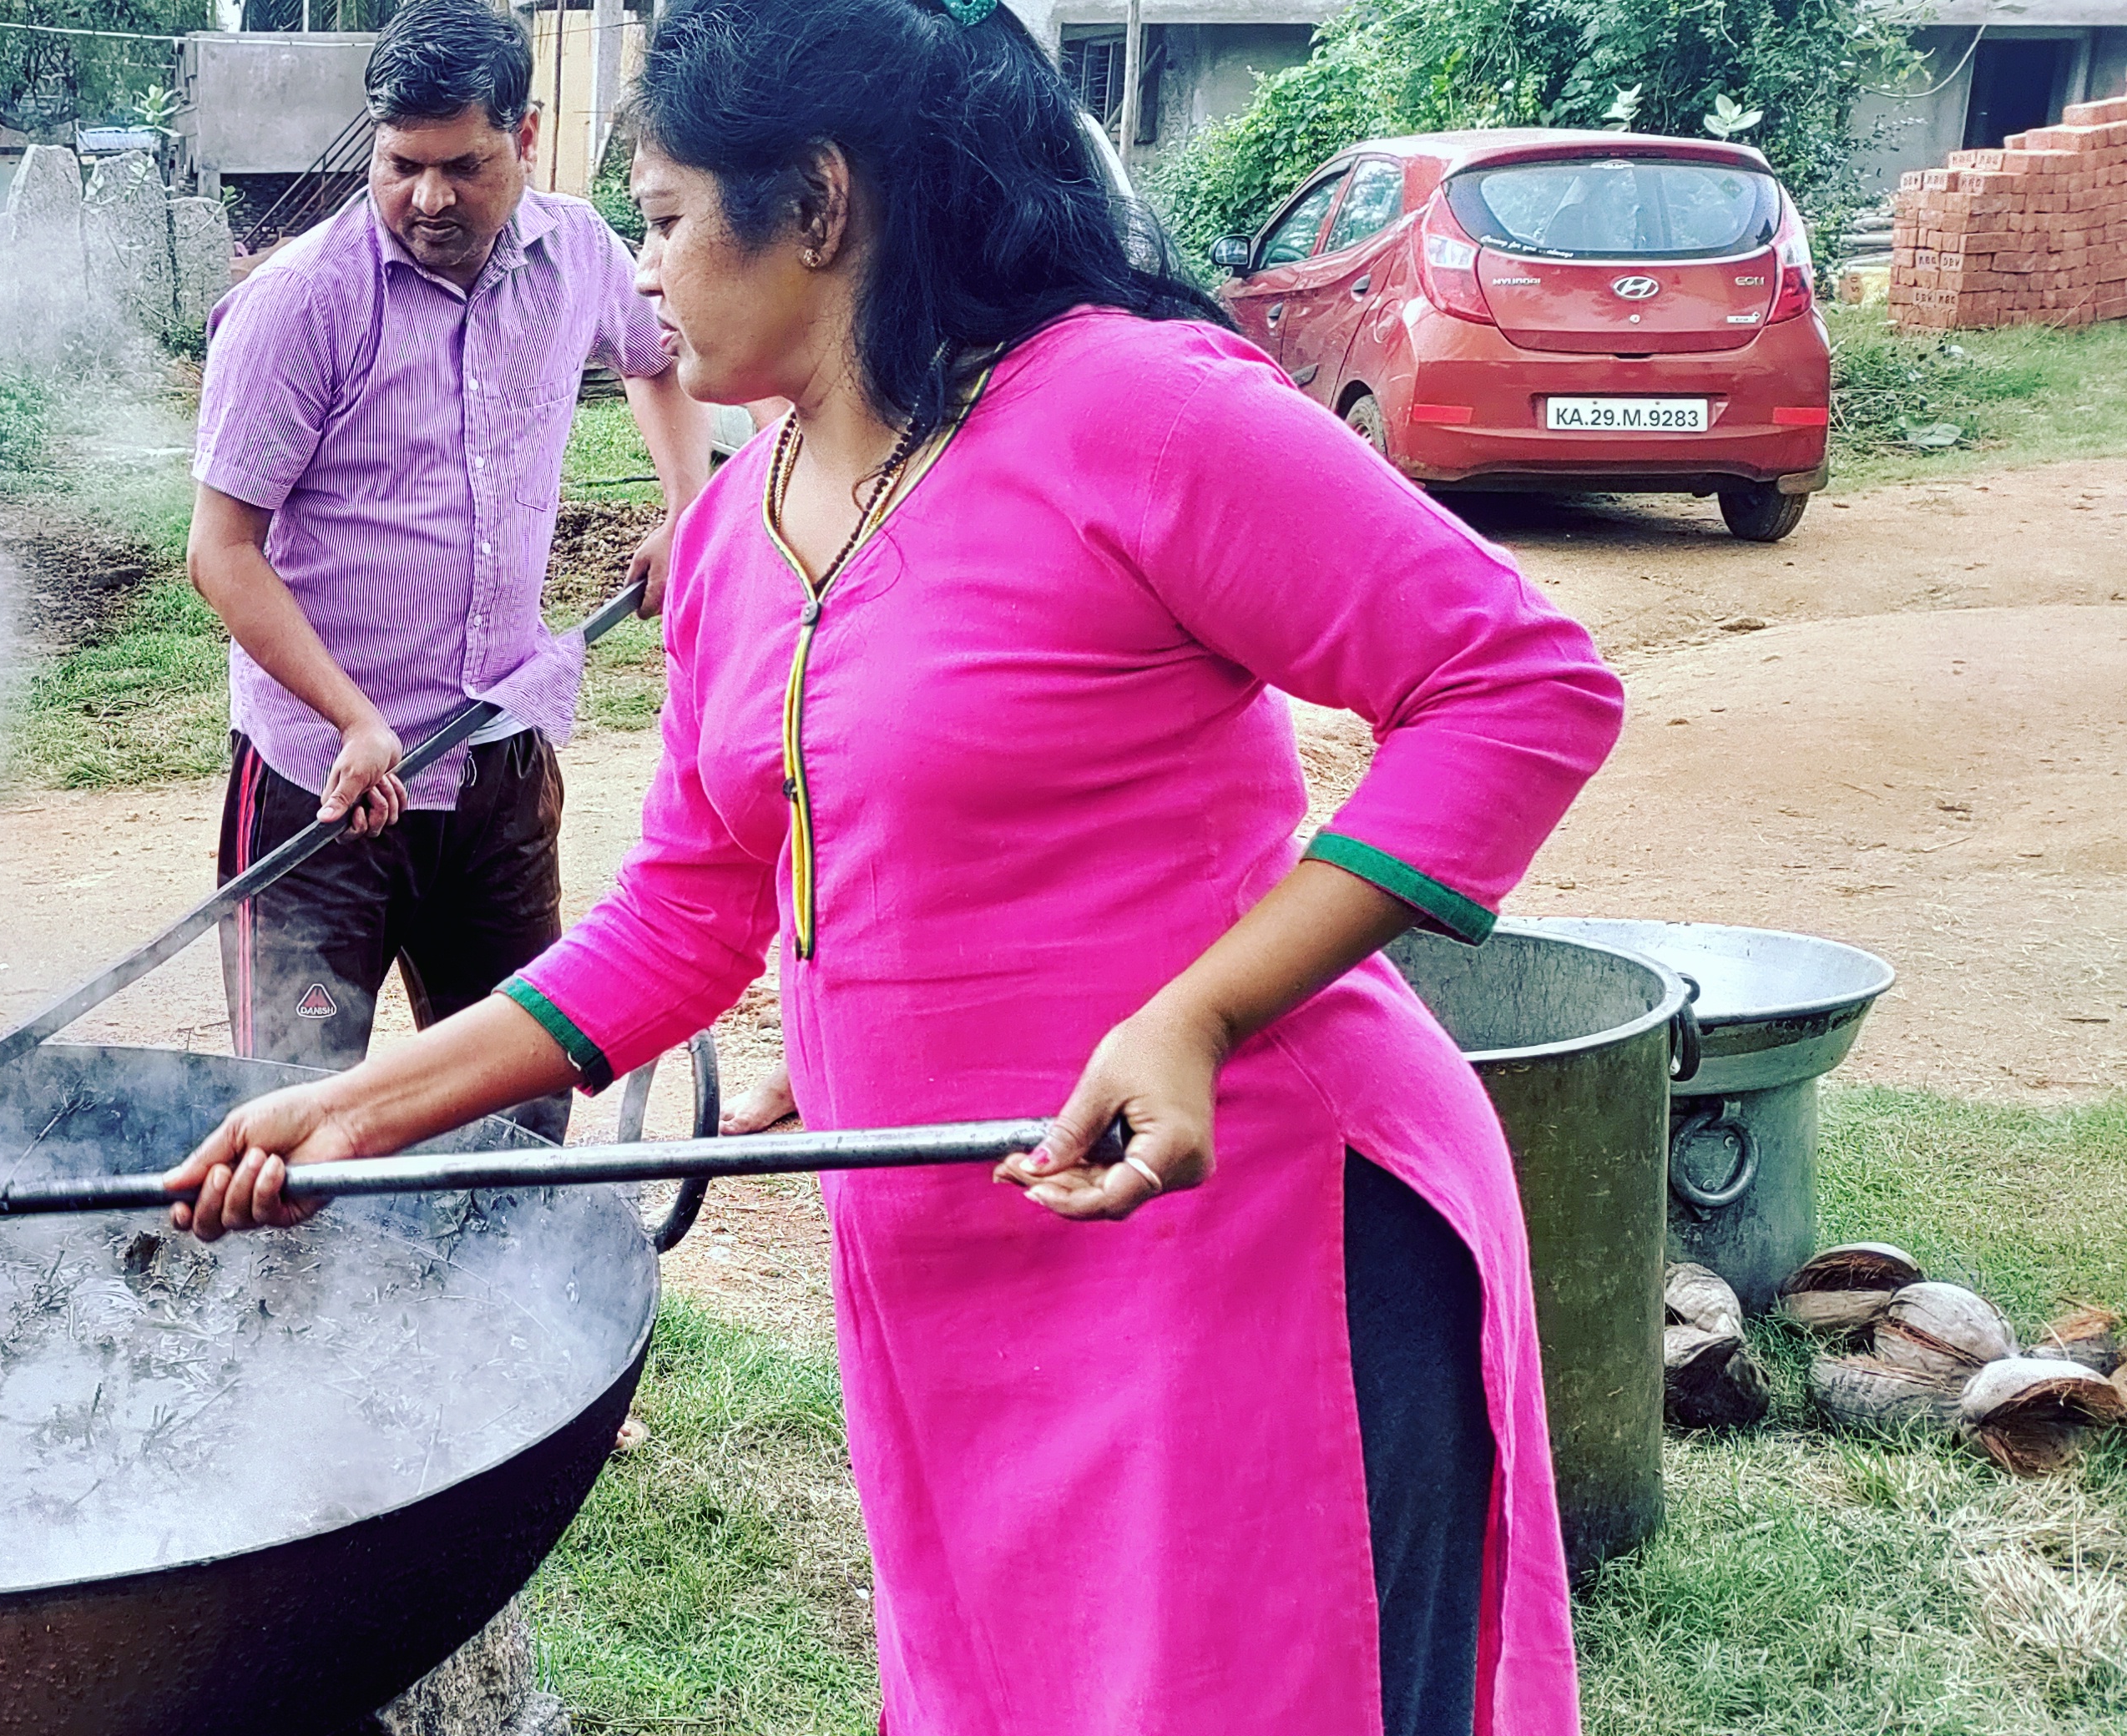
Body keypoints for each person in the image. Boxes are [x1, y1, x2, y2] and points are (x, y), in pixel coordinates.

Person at [164, 0, 1624, 1728]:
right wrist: (353, 1104)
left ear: (823, 205)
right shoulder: (732, 527)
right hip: (955, 1256)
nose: (634, 275)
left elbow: (1514, 684)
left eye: (660, 214)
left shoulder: (1129, 411)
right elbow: (685, 916)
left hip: (1234, 1227)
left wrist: (1199, 1015)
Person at [189, 0, 716, 1140]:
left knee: (519, 1111)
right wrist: (352, 719)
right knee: (291, 1122)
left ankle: (502, 1318)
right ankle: (296, 1322)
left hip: (497, 772)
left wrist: (689, 510)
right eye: (401, 166)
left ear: (525, 139)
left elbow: (655, 359)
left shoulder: (578, 252)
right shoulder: (301, 303)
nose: (428, 198)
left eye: (463, 166)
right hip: (320, 796)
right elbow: (219, 554)